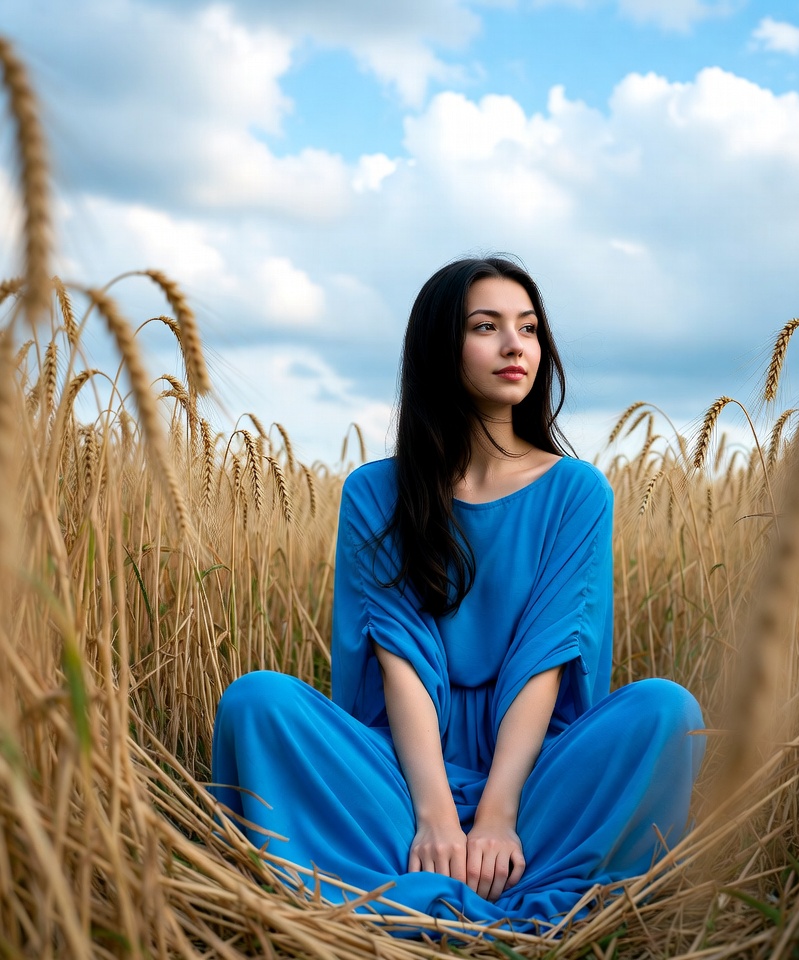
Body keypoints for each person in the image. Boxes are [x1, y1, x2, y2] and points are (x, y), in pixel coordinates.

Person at [210, 255, 705, 931]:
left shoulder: (577, 491)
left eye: (528, 329)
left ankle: (445, 886)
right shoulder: (375, 492)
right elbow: (400, 658)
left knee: (667, 710)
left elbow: (545, 656)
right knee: (257, 701)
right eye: (486, 326)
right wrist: (436, 817)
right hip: (400, 766)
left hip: (535, 773)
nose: (514, 346)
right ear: (442, 347)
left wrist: (498, 816)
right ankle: (446, 879)